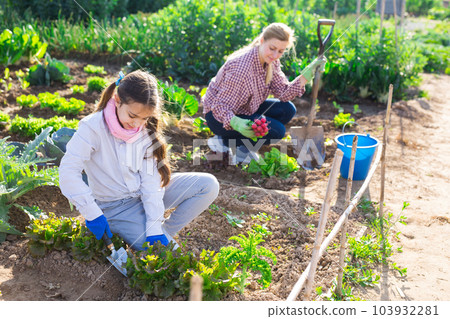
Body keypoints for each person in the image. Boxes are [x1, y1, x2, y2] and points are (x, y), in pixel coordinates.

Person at [59, 70, 219, 250]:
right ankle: (137, 232)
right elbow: (68, 173)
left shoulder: (143, 131)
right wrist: (92, 213)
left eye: (145, 118)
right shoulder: (92, 127)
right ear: (118, 100)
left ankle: (158, 234)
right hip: (115, 209)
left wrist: (154, 227)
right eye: (133, 116)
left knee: (208, 185)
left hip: (142, 196)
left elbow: (150, 183)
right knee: (173, 257)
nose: (137, 124)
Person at [202, 22, 326, 164]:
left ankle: (239, 146)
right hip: (218, 117)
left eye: (280, 51)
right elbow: (219, 106)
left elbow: (284, 93)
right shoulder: (242, 68)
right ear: (262, 41)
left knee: (287, 109)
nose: (275, 55)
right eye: (272, 48)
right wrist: (236, 123)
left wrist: (306, 75)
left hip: (243, 108)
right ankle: (225, 142)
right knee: (277, 131)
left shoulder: (270, 62)